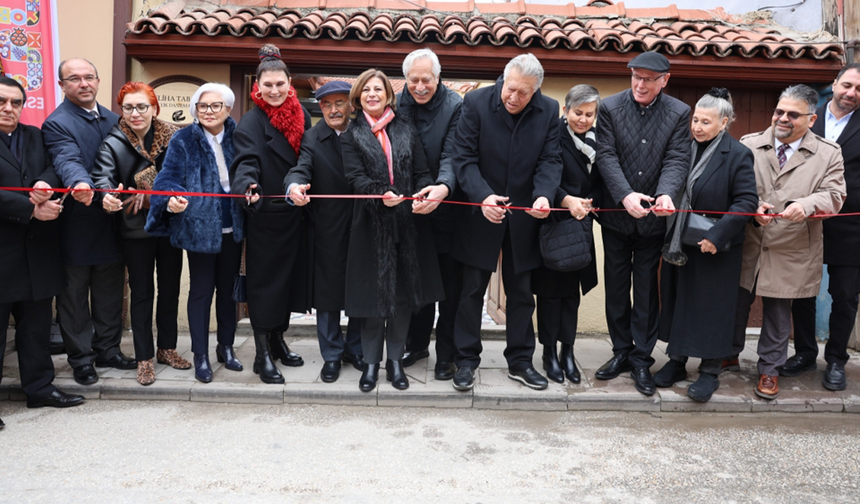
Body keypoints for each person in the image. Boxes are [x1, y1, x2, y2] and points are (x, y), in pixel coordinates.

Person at [450, 53, 562, 392]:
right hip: (480, 211)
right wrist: (483, 197)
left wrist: (544, 195)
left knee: (522, 294)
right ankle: (466, 360)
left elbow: (550, 160)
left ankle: (520, 362)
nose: (514, 98)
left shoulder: (550, 110)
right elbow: (463, 159)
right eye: (510, 89)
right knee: (470, 292)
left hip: (524, 216)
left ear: (536, 91)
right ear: (503, 79)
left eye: (524, 93)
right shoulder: (476, 102)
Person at [735, 84, 845, 400]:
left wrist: (807, 205)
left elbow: (836, 195)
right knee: (734, 303)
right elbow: (733, 184)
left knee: (778, 311)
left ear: (811, 120)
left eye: (792, 115)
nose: (782, 118)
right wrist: (752, 205)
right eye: (778, 112)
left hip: (792, 244)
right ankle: (725, 354)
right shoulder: (749, 144)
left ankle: (769, 369)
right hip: (750, 240)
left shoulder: (828, 153)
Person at [340, 69, 444, 392]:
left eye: (379, 89)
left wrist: (426, 189)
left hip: (408, 226)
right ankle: (370, 363)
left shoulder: (406, 129)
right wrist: (379, 194)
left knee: (401, 299)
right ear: (358, 96)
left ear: (388, 95)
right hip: (370, 227)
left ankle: (395, 362)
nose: (373, 94)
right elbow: (355, 179)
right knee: (373, 300)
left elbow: (423, 172)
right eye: (367, 90)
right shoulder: (350, 135)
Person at [594, 51, 691, 396]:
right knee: (617, 287)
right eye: (636, 76)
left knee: (647, 290)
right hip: (618, 216)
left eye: (649, 79)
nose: (640, 84)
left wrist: (666, 194)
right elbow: (605, 155)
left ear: (665, 80)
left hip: (653, 221)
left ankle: (641, 358)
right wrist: (624, 195)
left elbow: (677, 158)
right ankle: (620, 352)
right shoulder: (609, 108)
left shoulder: (680, 113)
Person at [653, 89, 758, 402]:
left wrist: (717, 236)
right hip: (680, 239)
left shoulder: (737, 154)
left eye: (705, 122)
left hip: (716, 245)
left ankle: (710, 370)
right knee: (680, 300)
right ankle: (677, 361)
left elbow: (746, 201)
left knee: (711, 307)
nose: (697, 127)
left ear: (724, 123)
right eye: (695, 120)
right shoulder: (683, 149)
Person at [42, 58, 135, 385]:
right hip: (77, 224)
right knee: (74, 298)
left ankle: (108, 349)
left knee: (110, 293)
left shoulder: (116, 119)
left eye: (88, 77)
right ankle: (81, 358)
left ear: (97, 81)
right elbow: (67, 159)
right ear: (62, 85)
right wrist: (83, 186)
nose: (83, 84)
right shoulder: (57, 123)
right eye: (74, 78)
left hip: (113, 223)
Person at [146, 83, 245, 383]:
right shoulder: (183, 139)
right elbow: (167, 179)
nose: (209, 111)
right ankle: (200, 354)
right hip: (199, 226)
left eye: (216, 106)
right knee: (201, 291)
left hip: (233, 225)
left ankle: (226, 347)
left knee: (228, 292)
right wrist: (172, 197)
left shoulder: (239, 137)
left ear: (228, 109)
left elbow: (252, 171)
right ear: (195, 110)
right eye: (202, 106)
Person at [0, 75, 85, 420]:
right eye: (2, 101)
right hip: (3, 252)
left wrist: (45, 184)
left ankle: (39, 388)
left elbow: (54, 165)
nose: (8, 108)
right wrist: (30, 209)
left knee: (35, 328)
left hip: (37, 254)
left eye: (15, 102)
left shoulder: (35, 135)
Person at [90, 82, 183, 386]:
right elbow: (103, 178)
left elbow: (182, 175)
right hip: (135, 230)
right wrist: (108, 195)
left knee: (170, 288)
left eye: (142, 106)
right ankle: (144, 357)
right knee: (142, 293)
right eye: (128, 107)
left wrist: (151, 193)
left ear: (154, 109)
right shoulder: (112, 143)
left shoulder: (173, 137)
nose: (135, 113)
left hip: (169, 225)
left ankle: (167, 348)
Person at [230, 44, 310, 384]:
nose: (275, 91)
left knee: (289, 284)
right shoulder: (250, 120)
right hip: (266, 216)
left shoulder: (301, 115)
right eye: (268, 85)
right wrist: (247, 185)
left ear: (290, 82)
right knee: (265, 287)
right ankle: (262, 354)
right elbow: (245, 161)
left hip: (297, 214)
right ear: (257, 87)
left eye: (280, 84)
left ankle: (278, 340)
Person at [782, 64, 860, 391]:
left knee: (844, 294)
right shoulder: (806, 119)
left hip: (851, 224)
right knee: (802, 292)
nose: (851, 93)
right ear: (835, 83)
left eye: (858, 89)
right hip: (805, 219)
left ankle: (837, 359)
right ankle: (804, 352)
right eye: (847, 85)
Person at [286, 80, 365, 383]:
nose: (333, 110)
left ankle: (355, 349)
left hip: (362, 224)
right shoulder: (313, 137)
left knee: (359, 289)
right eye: (327, 104)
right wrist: (294, 186)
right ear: (320, 108)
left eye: (339, 103)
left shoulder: (364, 132)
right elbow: (301, 168)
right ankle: (331, 354)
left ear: (351, 104)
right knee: (328, 293)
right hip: (328, 226)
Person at [397, 48, 463, 380]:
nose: (420, 86)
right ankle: (417, 342)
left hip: (447, 207)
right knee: (416, 282)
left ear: (439, 78)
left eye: (427, 80)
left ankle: (446, 354)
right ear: (405, 79)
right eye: (414, 80)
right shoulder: (397, 103)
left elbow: (454, 153)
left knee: (450, 287)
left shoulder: (455, 105)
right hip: (409, 210)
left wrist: (443, 187)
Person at [531, 84, 602, 385]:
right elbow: (543, 175)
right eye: (577, 113)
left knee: (571, 297)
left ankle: (568, 352)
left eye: (589, 114)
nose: (583, 120)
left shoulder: (598, 141)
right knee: (550, 295)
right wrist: (566, 199)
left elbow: (601, 178)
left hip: (581, 227)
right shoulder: (553, 136)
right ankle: (548, 352)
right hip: (554, 225)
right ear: (565, 110)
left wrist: (593, 201)